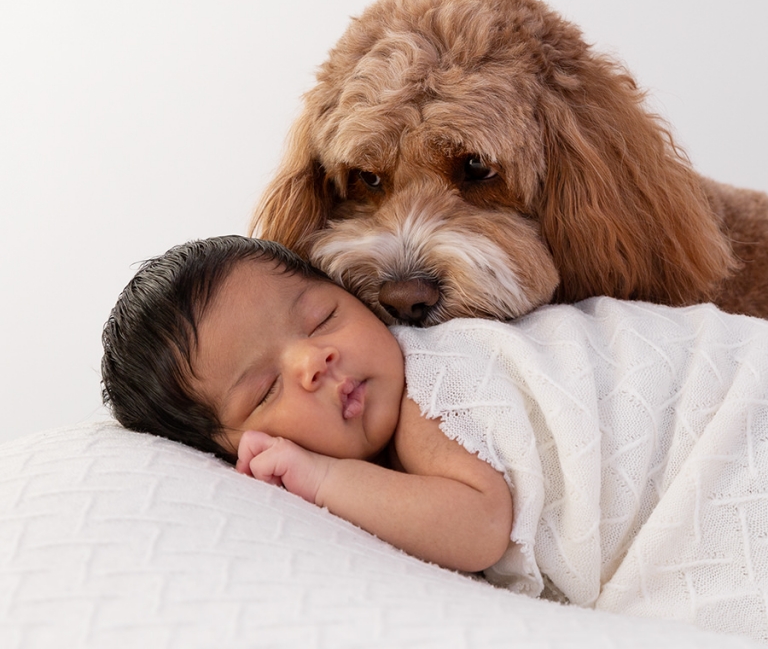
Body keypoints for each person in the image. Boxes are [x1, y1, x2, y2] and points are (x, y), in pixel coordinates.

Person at [102, 235, 768, 640]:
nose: (313, 360)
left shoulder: (428, 386)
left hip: (726, 416)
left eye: (322, 315)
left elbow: (480, 523)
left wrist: (325, 478)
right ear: (233, 451)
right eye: (265, 389)